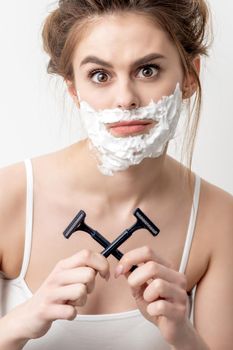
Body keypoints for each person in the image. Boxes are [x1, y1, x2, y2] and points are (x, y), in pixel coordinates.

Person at [0, 0, 232, 349]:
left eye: (148, 70)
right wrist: (19, 323)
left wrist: (182, 336)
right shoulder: (8, 197)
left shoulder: (220, 219)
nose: (125, 98)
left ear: (189, 77)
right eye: (100, 75)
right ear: (74, 90)